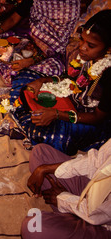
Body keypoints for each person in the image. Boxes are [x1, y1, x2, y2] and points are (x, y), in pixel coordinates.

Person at [8, 10, 111, 155]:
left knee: (53, 135)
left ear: (109, 49)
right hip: (70, 98)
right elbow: (70, 79)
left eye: (91, 45)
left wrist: (57, 115)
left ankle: (24, 117)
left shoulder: (108, 74)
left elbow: (98, 118)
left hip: (90, 120)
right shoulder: (85, 56)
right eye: (81, 39)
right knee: (25, 78)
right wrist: (42, 81)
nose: (82, 47)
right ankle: (27, 114)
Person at [21, 140, 111, 239]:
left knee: (32, 228)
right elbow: (97, 161)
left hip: (103, 224)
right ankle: (69, 222)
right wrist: (45, 169)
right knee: (40, 153)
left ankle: (71, 225)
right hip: (95, 190)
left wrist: (63, 199)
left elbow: (100, 214)